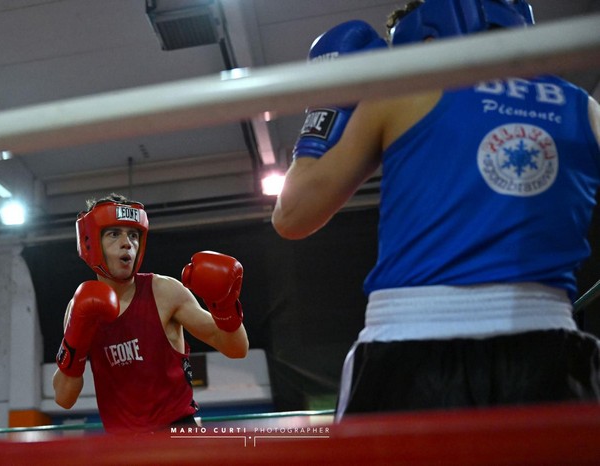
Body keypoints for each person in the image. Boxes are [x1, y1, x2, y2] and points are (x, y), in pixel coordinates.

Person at [272, 0, 600, 421]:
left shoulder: (404, 91)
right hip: (550, 354)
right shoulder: (585, 109)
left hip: (412, 347)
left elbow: (293, 215)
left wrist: (328, 105)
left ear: (426, 37)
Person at [52, 193, 249, 433]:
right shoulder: (79, 307)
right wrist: (75, 340)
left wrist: (224, 306)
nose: (127, 243)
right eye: (114, 234)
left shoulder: (164, 291)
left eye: (133, 235)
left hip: (178, 436)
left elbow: (237, 349)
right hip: (123, 446)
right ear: (90, 241)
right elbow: (64, 398)